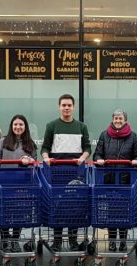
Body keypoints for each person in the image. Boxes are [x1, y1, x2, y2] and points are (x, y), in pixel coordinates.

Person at [40, 94, 91, 252]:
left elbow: (87, 147)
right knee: (58, 206)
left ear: (73, 107)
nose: (66, 108)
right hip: (56, 172)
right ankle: (57, 241)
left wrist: (83, 158)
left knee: (74, 206)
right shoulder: (51, 126)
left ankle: (73, 241)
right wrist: (46, 158)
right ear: (59, 107)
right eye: (64, 105)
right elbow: (45, 148)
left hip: (76, 173)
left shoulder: (81, 126)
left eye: (69, 105)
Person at [92, 109, 137, 252]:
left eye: (120, 118)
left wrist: (136, 160)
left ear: (125, 120)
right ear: (112, 119)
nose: (118, 121)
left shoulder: (132, 136)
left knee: (123, 211)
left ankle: (123, 241)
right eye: (116, 118)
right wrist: (99, 160)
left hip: (126, 180)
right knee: (111, 211)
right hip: (108, 179)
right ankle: (112, 240)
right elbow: (97, 154)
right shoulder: (104, 134)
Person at [0, 114, 39, 251]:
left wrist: (29, 161)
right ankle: (5, 238)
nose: (18, 127)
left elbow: (35, 163)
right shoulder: (3, 141)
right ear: (11, 126)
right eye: (15, 124)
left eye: (21, 125)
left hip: (22, 184)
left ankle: (15, 239)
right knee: (3, 211)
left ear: (25, 127)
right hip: (4, 182)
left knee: (19, 212)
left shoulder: (30, 144)